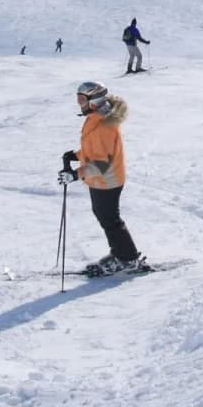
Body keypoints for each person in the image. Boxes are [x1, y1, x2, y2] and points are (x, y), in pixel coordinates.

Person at [59, 81, 144, 275]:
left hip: (107, 179)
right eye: (78, 99)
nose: (79, 103)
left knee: (110, 219)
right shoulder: (96, 118)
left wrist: (74, 174)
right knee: (105, 216)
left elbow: (102, 163)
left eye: (82, 99)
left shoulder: (104, 125)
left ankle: (128, 258)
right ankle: (121, 254)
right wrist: (76, 155)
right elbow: (93, 150)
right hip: (102, 178)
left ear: (94, 100)